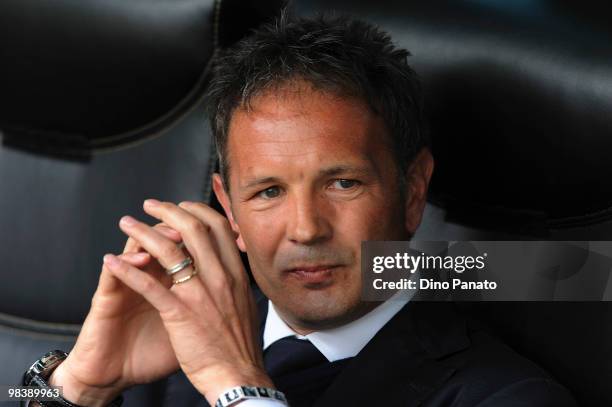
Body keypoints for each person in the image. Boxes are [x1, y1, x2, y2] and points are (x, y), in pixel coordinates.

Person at [24, 13, 577, 407]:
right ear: (229, 209)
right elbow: (18, 394)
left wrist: (238, 387)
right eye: (268, 192)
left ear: (412, 193)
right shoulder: (170, 342)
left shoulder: (507, 396)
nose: (306, 229)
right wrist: (72, 384)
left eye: (343, 183)